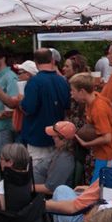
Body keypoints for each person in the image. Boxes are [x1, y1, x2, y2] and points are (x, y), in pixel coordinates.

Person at [19, 48, 71, 182]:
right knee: (57, 178)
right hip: (58, 137)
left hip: (38, 137)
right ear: (53, 61)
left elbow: (28, 108)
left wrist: (21, 102)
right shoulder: (62, 81)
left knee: (38, 178)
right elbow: (67, 107)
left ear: (36, 63)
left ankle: (41, 202)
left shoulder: (34, 82)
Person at [68, 72, 112, 183]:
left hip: (109, 154)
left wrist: (87, 144)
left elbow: (107, 138)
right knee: (97, 187)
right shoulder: (94, 99)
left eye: (73, 91)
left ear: (82, 91)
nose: (71, 94)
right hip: (102, 154)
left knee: (101, 188)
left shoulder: (98, 109)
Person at [0, 47, 19, 149]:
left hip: (5, 126)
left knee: (4, 157)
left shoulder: (10, 76)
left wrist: (4, 114)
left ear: (2, 59)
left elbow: (14, 101)